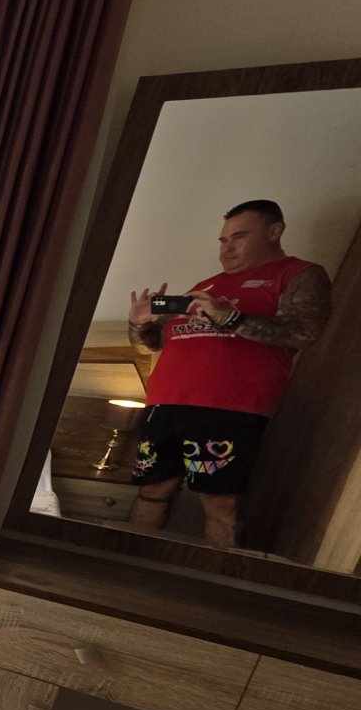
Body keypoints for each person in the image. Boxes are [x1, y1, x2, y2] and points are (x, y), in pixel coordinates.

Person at [126, 199, 330, 548]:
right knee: (151, 489)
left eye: (239, 237)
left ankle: (216, 576)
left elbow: (304, 332)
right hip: (165, 403)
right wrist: (138, 322)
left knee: (220, 502)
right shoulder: (207, 285)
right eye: (223, 240)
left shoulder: (299, 274)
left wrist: (228, 318)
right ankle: (130, 560)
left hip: (228, 408)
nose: (227, 248)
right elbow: (151, 344)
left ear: (274, 231)